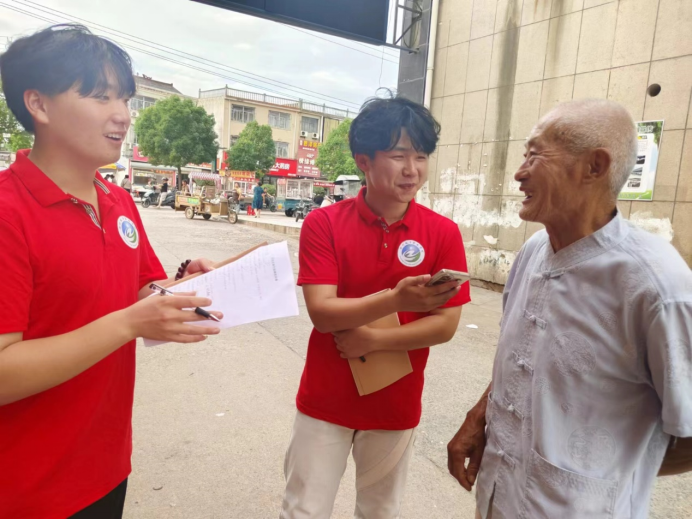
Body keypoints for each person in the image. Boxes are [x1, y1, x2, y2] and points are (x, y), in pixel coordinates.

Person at [0, 24, 222, 519]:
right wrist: (127, 324)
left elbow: (140, 289)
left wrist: (186, 285)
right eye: (101, 96)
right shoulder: (7, 213)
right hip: (23, 490)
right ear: (38, 104)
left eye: (124, 97)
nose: (122, 114)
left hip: (105, 467)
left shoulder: (117, 200)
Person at [447, 99, 692, 519]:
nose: (519, 173)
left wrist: (605, 475)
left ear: (594, 167)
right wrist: (480, 416)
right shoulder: (532, 252)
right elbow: (522, 356)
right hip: (497, 496)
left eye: (535, 155)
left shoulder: (657, 286)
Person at [280, 95, 471, 518]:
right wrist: (396, 300)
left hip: (395, 404)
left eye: (421, 156)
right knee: (303, 510)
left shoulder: (443, 233)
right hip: (325, 400)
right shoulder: (324, 224)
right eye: (398, 155)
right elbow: (322, 313)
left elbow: (444, 326)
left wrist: (373, 339)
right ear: (363, 161)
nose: (412, 169)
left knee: (380, 511)